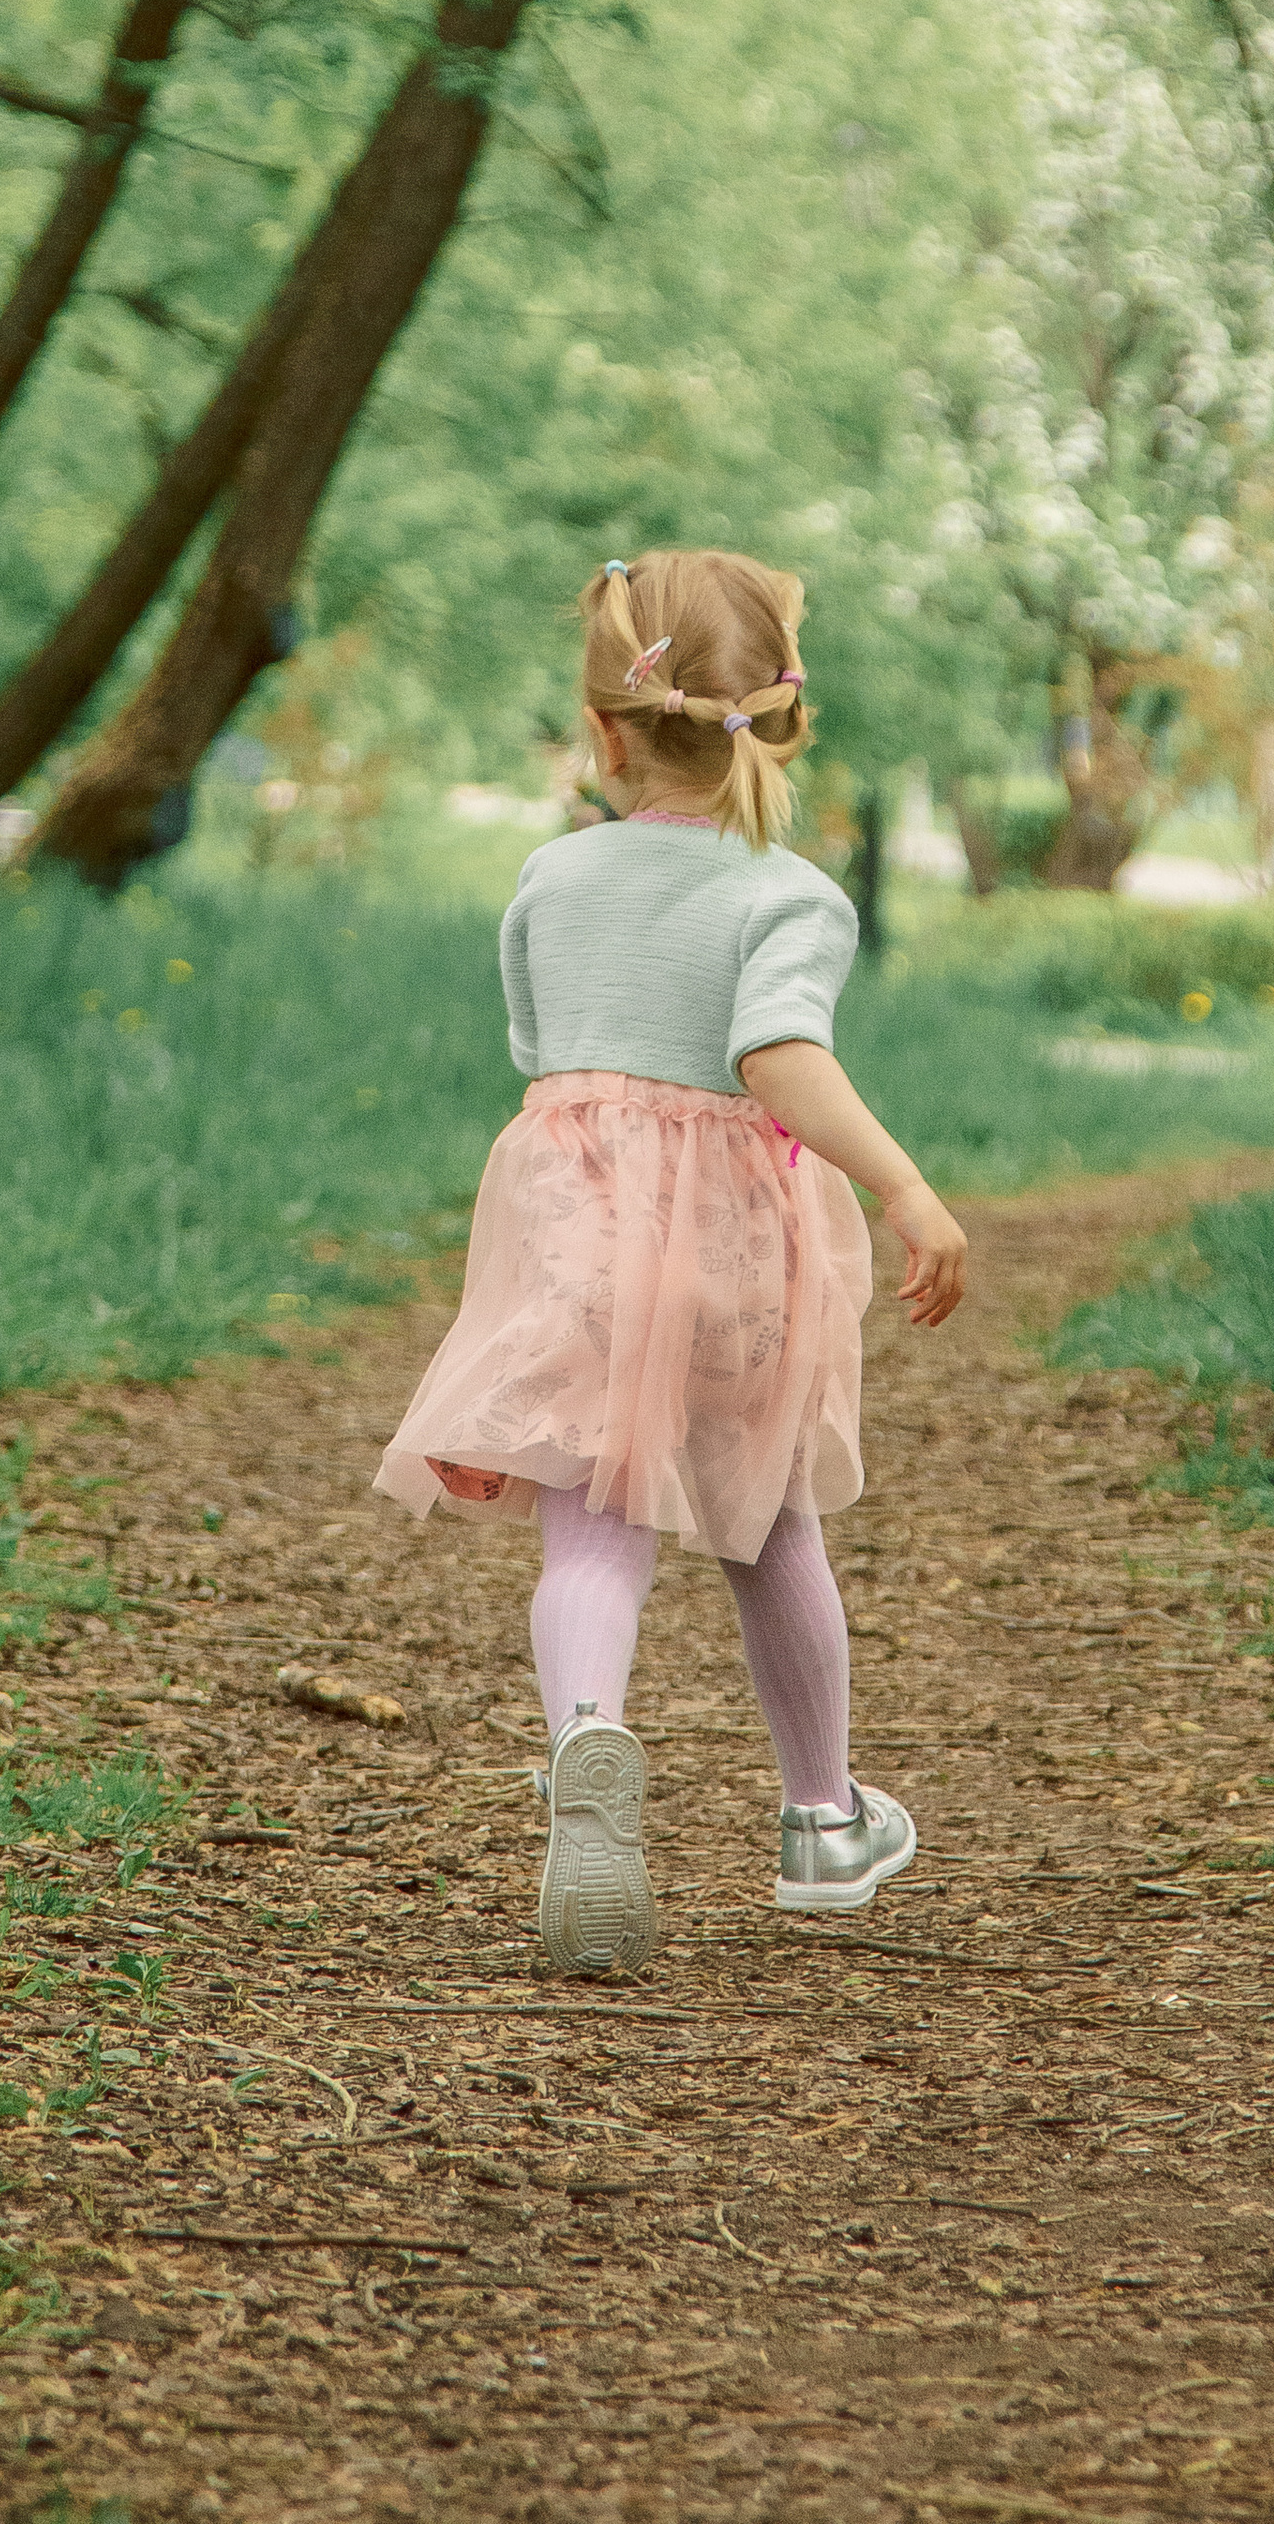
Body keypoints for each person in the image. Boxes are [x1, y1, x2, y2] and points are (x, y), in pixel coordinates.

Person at [374, 549, 969, 1976]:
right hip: (730, 1257)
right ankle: (823, 1821)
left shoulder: (554, 875)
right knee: (770, 1526)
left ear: (606, 729)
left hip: (574, 1240)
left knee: (590, 1526)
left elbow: (537, 1046)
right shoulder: (792, 895)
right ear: (776, 724)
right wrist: (903, 1187)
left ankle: (590, 1749)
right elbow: (779, 1060)